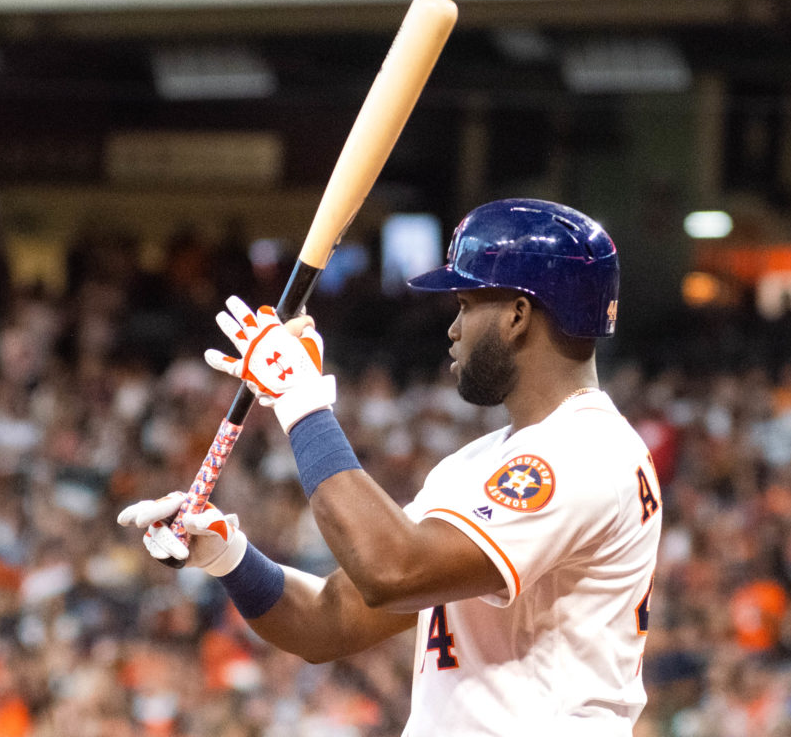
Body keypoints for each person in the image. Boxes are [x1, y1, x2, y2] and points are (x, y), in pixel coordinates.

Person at [118, 198, 663, 736]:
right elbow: (329, 620)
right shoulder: (490, 459)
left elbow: (392, 572)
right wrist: (229, 557)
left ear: (518, 315)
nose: (453, 329)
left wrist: (301, 402)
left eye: (466, 305)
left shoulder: (585, 451)